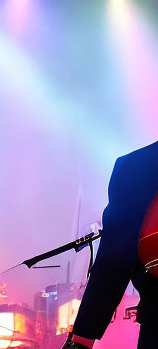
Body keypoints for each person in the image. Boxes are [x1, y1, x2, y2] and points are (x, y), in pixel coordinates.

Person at [66, 143, 158, 349]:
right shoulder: (136, 167)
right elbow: (114, 258)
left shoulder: (136, 166)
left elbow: (114, 258)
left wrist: (81, 338)